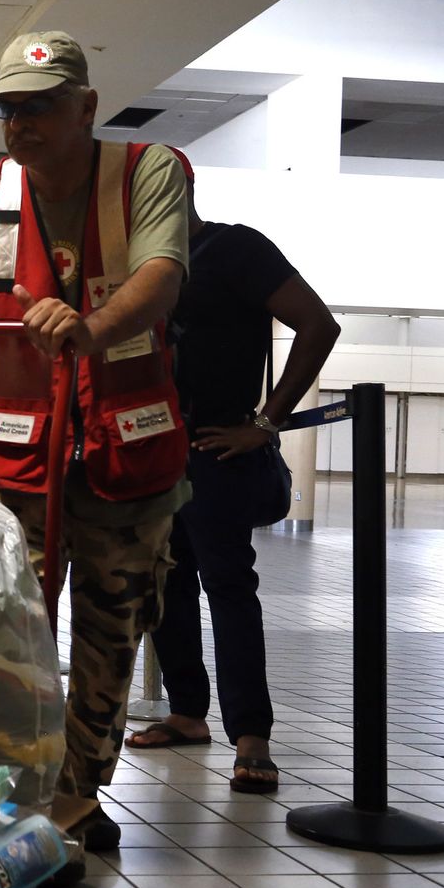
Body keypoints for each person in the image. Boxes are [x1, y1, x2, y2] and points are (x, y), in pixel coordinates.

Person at [0, 31, 191, 852]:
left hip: (127, 462)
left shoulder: (147, 172)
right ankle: (7, 786)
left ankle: (79, 794)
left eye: (42, 105)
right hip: (19, 463)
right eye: (8, 109)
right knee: (2, 638)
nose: (21, 124)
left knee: (107, 641)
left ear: (86, 106)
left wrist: (91, 329)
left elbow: (161, 273)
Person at [128, 158, 339, 794]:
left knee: (227, 585)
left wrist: (267, 423)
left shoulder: (234, 246)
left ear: (180, 193)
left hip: (219, 448)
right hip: (154, 449)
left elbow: (318, 324)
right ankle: (188, 712)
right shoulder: (141, 267)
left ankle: (252, 734)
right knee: (165, 584)